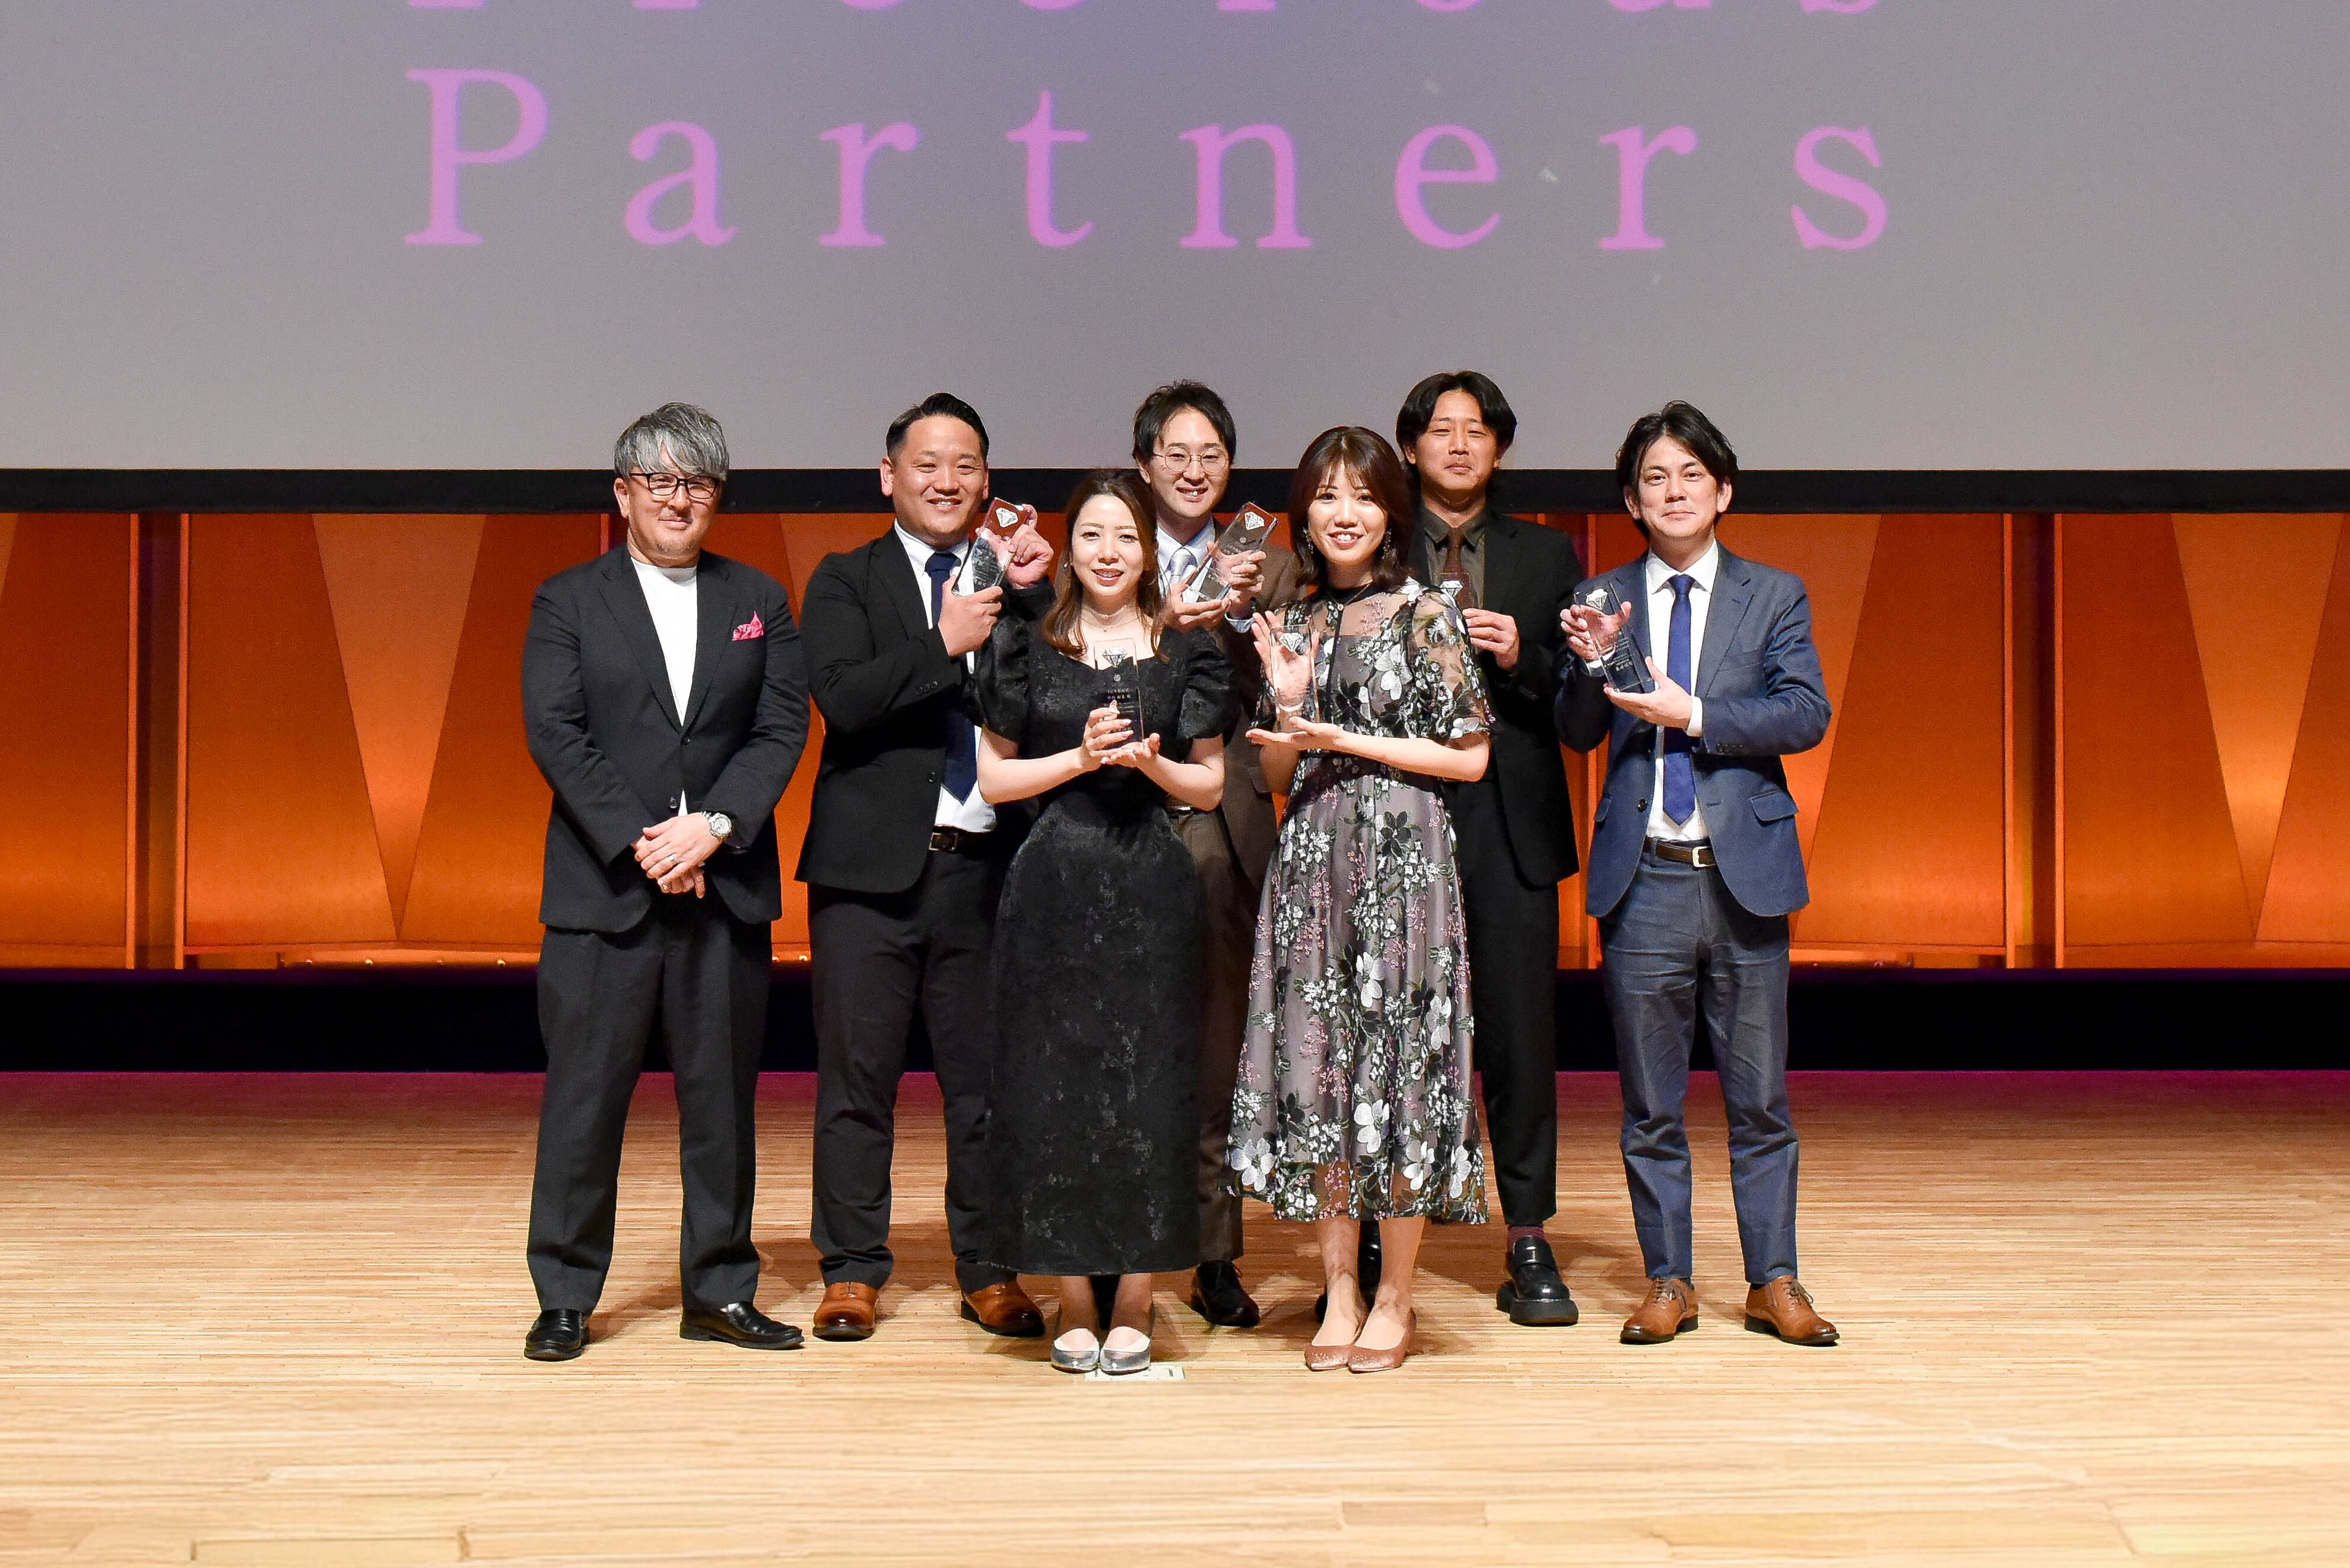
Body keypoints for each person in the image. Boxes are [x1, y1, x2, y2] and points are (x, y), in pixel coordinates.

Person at [519, 403, 809, 1362]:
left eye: (698, 483)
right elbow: (556, 731)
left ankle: (719, 1291)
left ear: (718, 497)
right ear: (623, 494)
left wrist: (713, 828)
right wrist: (646, 842)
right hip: (606, 893)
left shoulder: (759, 598)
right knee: (584, 1102)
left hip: (723, 890)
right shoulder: (568, 600)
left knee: (721, 1105)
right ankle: (566, 1296)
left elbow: (781, 729)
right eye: (661, 481)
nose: (679, 500)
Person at [1556, 400, 1840, 1349]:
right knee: (1651, 1104)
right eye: (1654, 479)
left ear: (1723, 491)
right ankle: (1667, 1281)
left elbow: (1805, 714)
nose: (1673, 492)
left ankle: (1774, 1280)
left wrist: (1696, 714)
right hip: (1645, 880)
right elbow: (1577, 732)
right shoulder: (1603, 595)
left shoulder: (1774, 594)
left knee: (1761, 1101)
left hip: (1743, 874)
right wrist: (1584, 664)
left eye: (1690, 476)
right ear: (1631, 501)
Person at [1229, 427, 1494, 1374]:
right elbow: (1276, 771)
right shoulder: (1293, 617)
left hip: (1405, 860)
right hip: (1313, 858)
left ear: (1392, 512)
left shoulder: (1426, 613)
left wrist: (1348, 740)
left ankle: (1396, 1296)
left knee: (1403, 1067)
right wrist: (1291, 711)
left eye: (1365, 497)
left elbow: (1470, 756)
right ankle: (1338, 1289)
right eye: (1328, 496)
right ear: (1305, 512)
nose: (1345, 514)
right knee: (1324, 1069)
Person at [795, 393, 1057, 1344]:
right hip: (868, 876)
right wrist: (943, 644)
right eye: (927, 464)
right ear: (889, 476)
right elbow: (844, 698)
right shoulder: (846, 578)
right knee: (856, 1083)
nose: (947, 481)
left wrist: (1033, 601)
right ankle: (851, 1270)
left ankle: (989, 1269)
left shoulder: (1012, 582)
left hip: (987, 869)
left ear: (987, 482)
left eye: (966, 466)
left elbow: (1049, 700)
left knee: (985, 1090)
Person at [970, 469, 1236, 1375]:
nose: (1110, 552)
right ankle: (1075, 1295)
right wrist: (1079, 761)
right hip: (1053, 884)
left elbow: (1209, 786)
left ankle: (1136, 1296)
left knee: (1151, 1092)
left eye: (1126, 536)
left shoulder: (1185, 649)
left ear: (1148, 552)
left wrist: (1151, 766)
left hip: (1152, 885)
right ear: (1068, 548)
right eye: (1091, 535)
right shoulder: (1025, 642)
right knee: (1057, 1092)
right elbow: (995, 779)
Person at [1395, 371, 1586, 1327]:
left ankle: (1528, 1233)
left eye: (1478, 430)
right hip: (1399, 813)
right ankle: (1385, 1229)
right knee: (1395, 1032)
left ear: (1500, 448)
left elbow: (1583, 709)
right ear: (1411, 447)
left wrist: (1523, 656)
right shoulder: (1374, 543)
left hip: (1510, 820)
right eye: (1442, 429)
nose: (1460, 444)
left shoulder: (1547, 554)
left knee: (1519, 1034)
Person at [1132, 381, 1304, 1330]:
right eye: (1177, 453)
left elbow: (1276, 698)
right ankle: (1117, 1249)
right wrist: (1164, 618)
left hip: (1224, 826)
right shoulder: (1108, 547)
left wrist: (1237, 620)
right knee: (1122, 1045)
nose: (1195, 471)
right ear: (1145, 463)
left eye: (1212, 455)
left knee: (1215, 1053)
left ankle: (1213, 1255)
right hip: (1115, 820)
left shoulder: (1268, 568)